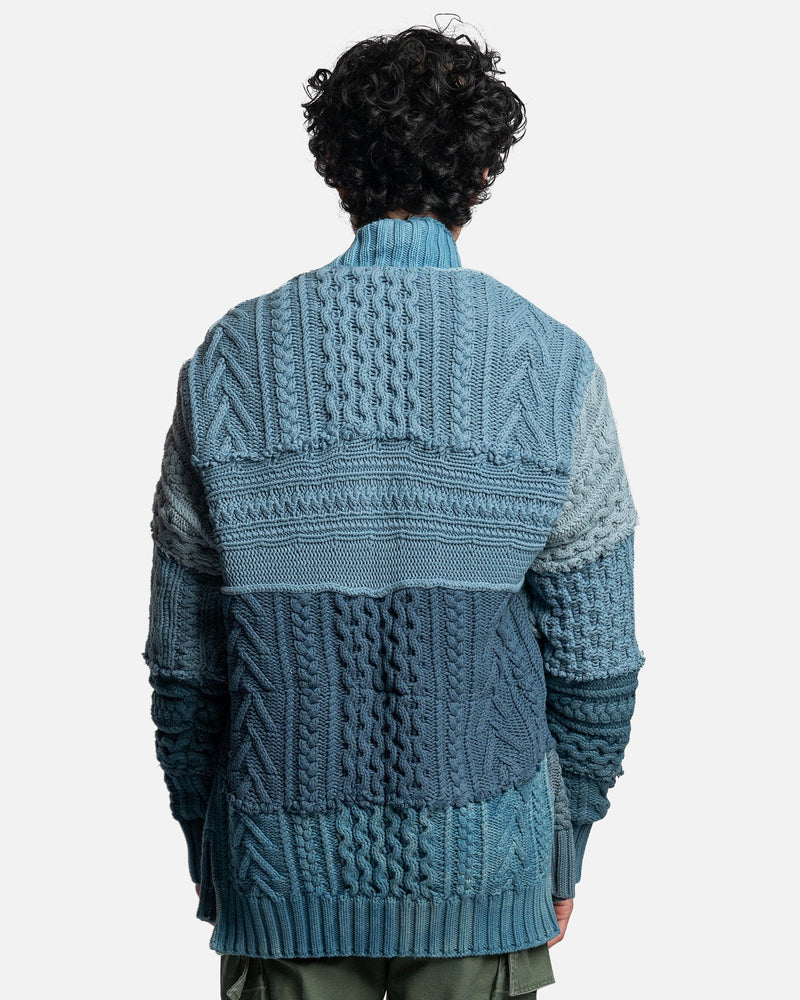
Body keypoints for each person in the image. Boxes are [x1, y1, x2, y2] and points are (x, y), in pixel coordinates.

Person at [142, 19, 646, 1000]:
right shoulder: (548, 364)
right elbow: (595, 663)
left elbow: (186, 668)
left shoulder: (231, 360)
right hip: (482, 872)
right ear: (482, 171)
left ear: (336, 170)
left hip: (279, 872)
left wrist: (211, 841)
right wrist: (565, 843)